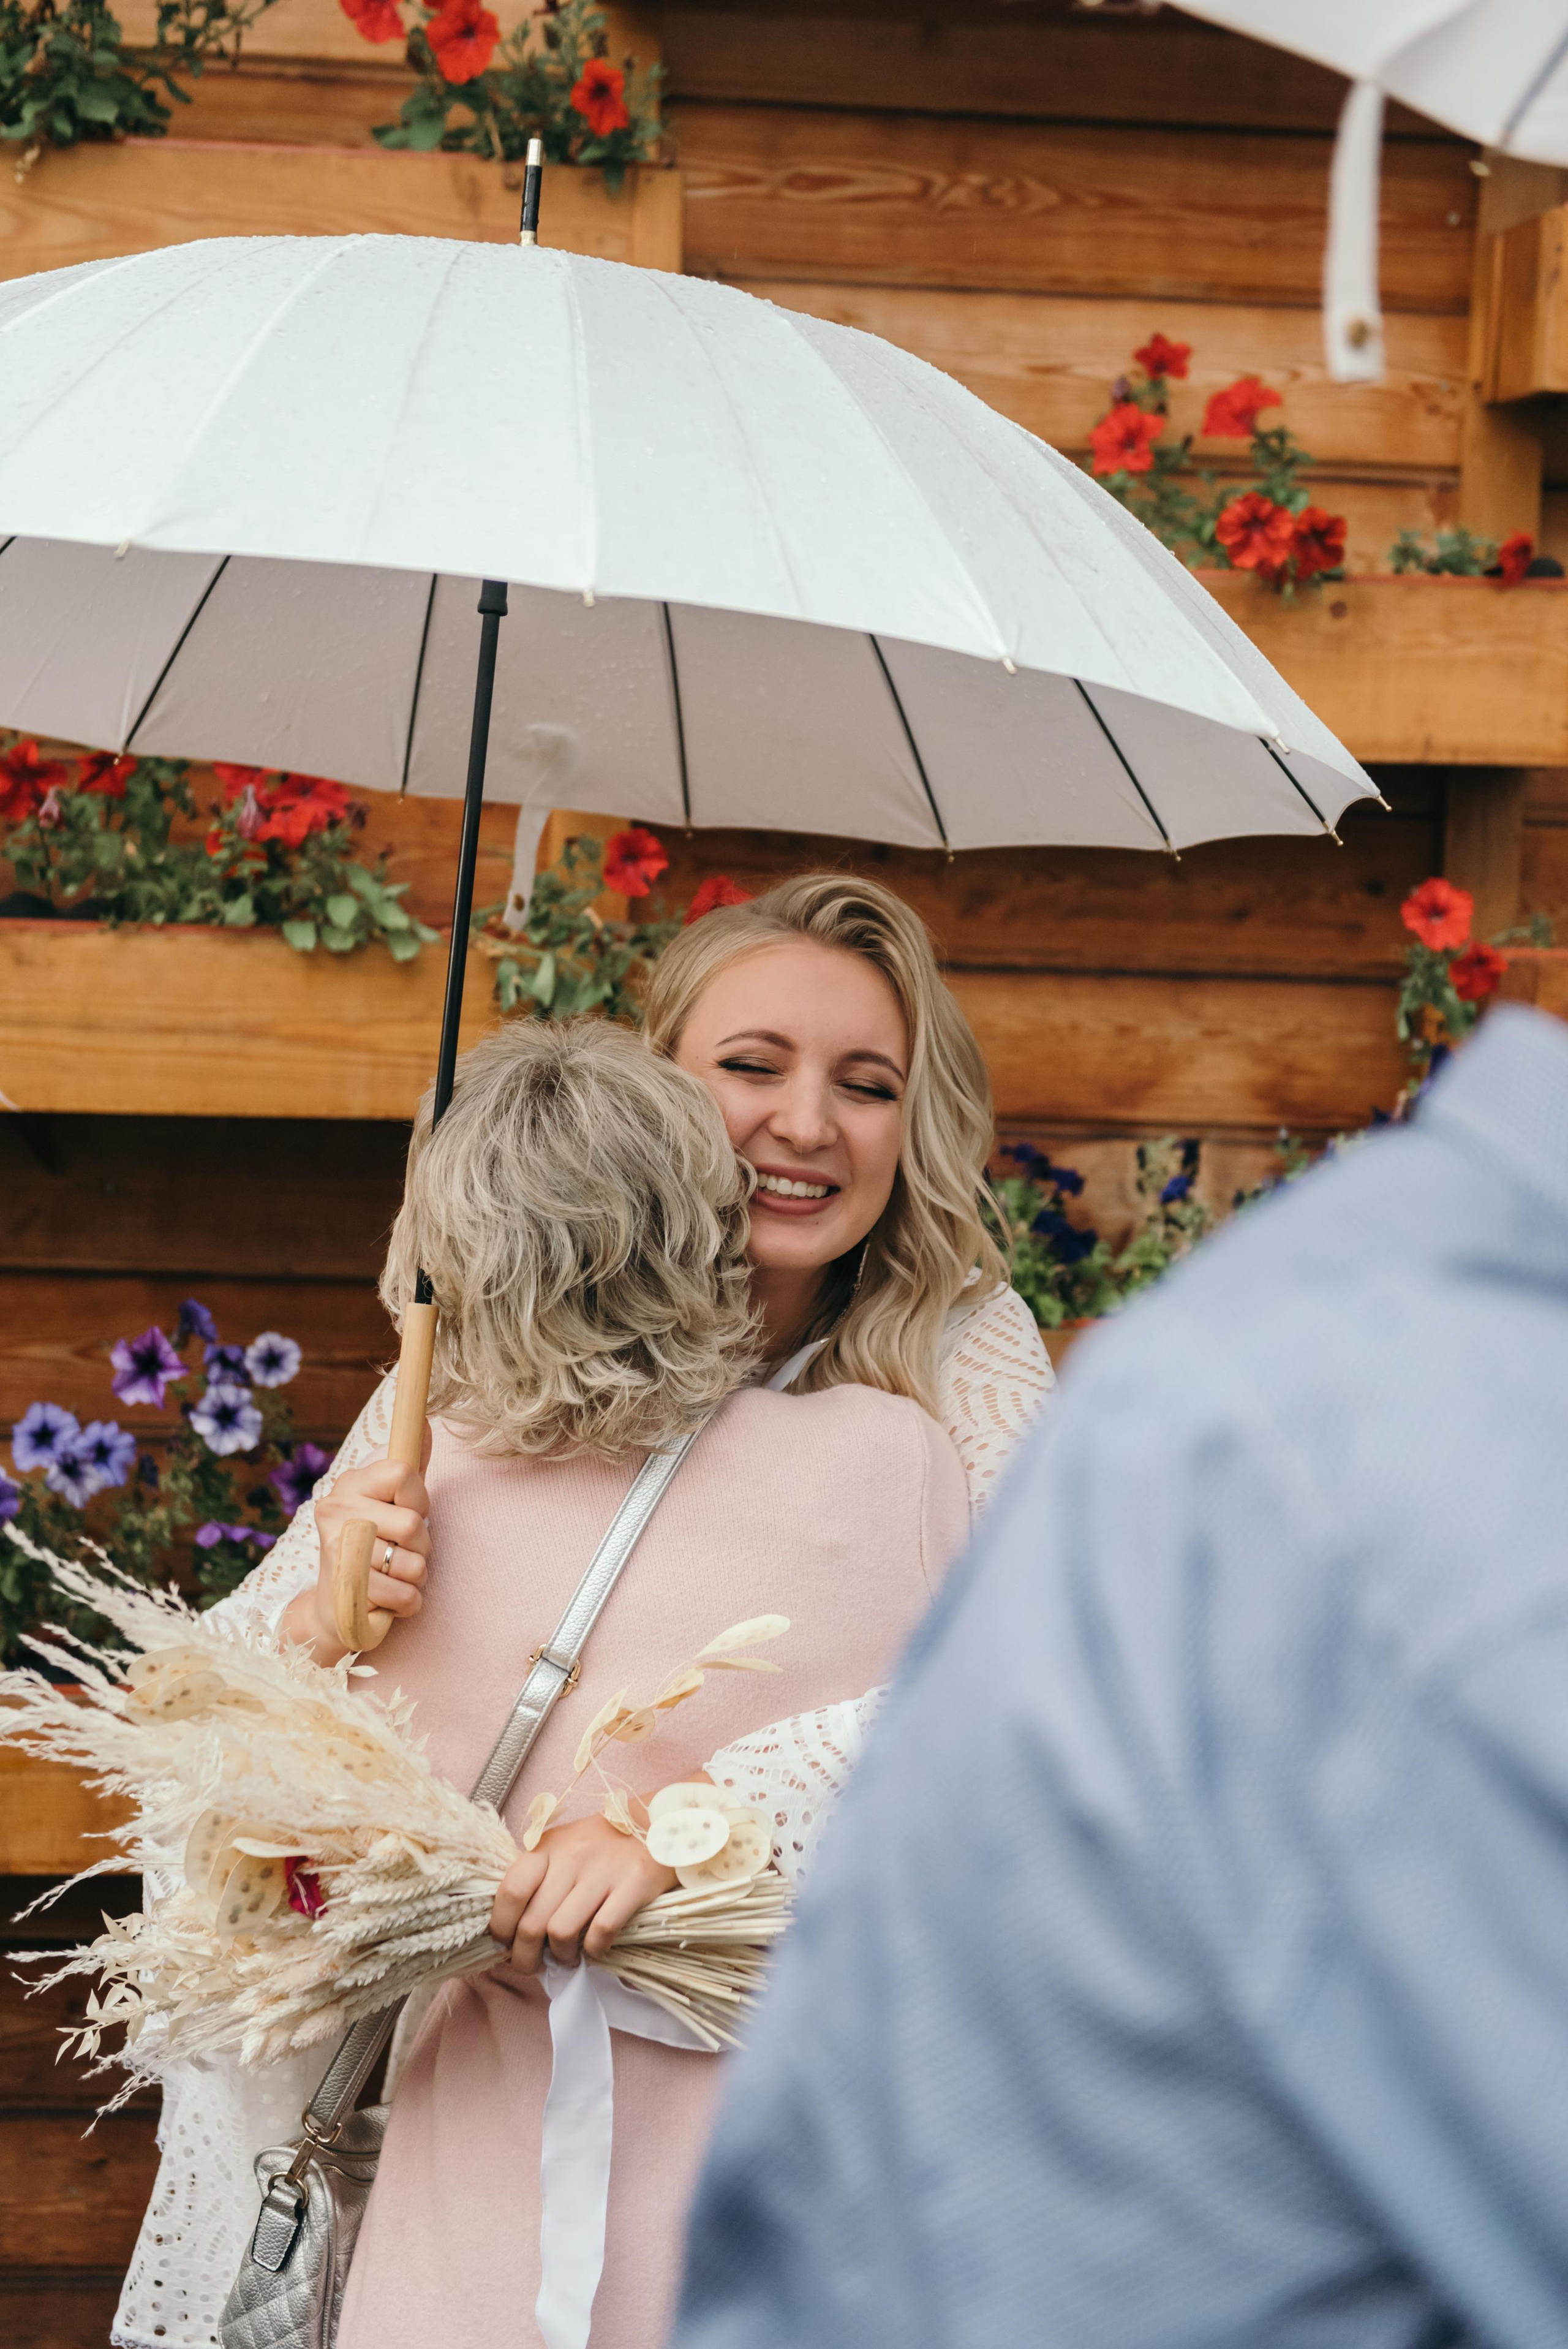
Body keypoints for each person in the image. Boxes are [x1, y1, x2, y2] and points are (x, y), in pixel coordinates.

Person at [672, 1002, 1568, 2349]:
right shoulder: (1406, 1466)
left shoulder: (970, 1360)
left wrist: (682, 1825)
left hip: (756, 1979)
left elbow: (959, 1685)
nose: (803, 1122)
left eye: (864, 1085)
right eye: (751, 1066)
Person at [115, 1018, 968, 2349]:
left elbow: (234, 1864)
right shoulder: (894, 1458)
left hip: (475, 2176)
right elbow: (966, 1784)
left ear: (457, 1251)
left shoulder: (405, 1493)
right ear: (704, 1218)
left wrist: (314, 1633)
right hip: (801, 2172)